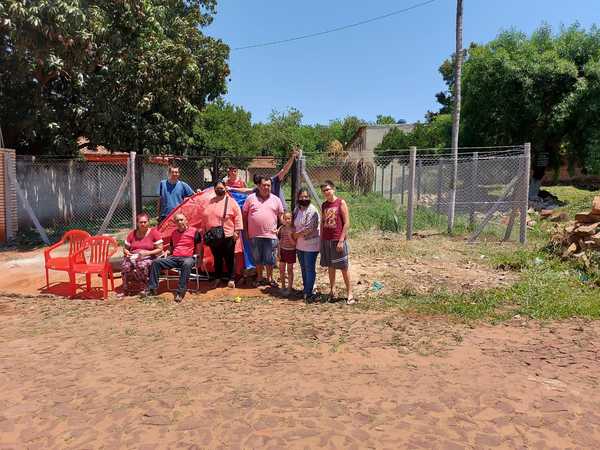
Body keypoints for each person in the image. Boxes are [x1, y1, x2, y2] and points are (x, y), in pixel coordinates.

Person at [144, 213, 202, 302]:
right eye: (177, 220)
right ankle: (152, 288)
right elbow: (171, 247)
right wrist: (167, 252)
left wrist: (199, 259)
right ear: (175, 222)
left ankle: (180, 292)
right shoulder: (174, 233)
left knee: (186, 263)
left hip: (188, 258)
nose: (179, 222)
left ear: (186, 221)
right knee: (156, 262)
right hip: (174, 258)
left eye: (181, 220)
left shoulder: (194, 232)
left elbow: (199, 247)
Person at [199, 180, 243, 288]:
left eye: (221, 188)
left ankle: (231, 278)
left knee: (229, 258)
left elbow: (238, 217)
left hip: (228, 235)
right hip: (213, 236)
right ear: (214, 189)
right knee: (217, 258)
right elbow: (205, 216)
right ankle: (217, 278)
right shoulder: (210, 201)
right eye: (217, 188)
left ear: (225, 188)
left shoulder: (231, 202)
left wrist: (237, 231)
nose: (220, 190)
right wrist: (204, 231)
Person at [242, 176, 284, 287]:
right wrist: (245, 230)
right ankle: (260, 278)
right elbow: (244, 215)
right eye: (264, 185)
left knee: (270, 258)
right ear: (259, 186)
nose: (266, 187)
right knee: (258, 258)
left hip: (271, 235)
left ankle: (270, 278)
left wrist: (281, 229)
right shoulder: (250, 198)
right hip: (254, 235)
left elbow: (282, 217)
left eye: (268, 185)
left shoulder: (276, 199)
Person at [228, 148, 299, 209]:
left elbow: (284, 170)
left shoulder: (274, 180)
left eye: (268, 185)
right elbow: (246, 190)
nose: (266, 187)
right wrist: (232, 189)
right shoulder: (259, 188)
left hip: (281, 210)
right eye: (262, 185)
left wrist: (292, 158)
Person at [320, 180, 354, 304]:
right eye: (324, 190)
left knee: (344, 267)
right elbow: (323, 223)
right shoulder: (324, 205)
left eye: (328, 189)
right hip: (327, 240)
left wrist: (341, 240)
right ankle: (332, 291)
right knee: (331, 266)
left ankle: (350, 293)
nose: (326, 192)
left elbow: (347, 223)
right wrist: (321, 240)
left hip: (337, 240)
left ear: (333, 189)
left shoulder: (341, 202)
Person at [121, 212, 164, 294]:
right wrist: (127, 252)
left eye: (145, 222)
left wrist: (147, 253)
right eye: (141, 222)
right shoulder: (132, 234)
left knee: (141, 265)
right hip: (133, 256)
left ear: (148, 222)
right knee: (125, 266)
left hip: (149, 257)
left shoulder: (154, 233)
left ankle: (144, 287)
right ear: (137, 223)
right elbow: (125, 249)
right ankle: (126, 288)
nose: (143, 224)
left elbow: (160, 248)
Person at [292, 188, 321, 302]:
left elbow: (309, 228)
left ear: (309, 198)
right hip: (300, 245)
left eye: (306, 197)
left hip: (311, 244)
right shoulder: (296, 209)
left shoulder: (313, 210)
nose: (303, 199)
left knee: (309, 268)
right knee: (303, 268)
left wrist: (295, 235)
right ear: (298, 197)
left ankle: (309, 292)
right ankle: (306, 289)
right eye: (301, 197)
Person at [277, 211, 296, 296]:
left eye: (289, 218)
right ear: (283, 220)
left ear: (292, 219)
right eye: (285, 219)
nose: (287, 220)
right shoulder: (281, 228)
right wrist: (278, 252)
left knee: (289, 270)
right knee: (281, 270)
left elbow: (294, 244)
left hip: (291, 251)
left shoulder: (294, 229)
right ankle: (283, 286)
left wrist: (289, 236)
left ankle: (289, 288)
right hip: (282, 251)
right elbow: (279, 241)